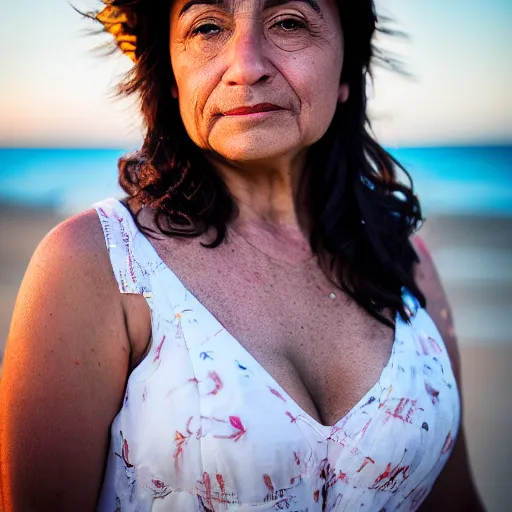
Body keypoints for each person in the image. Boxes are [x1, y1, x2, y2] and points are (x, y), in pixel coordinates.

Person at [0, 0, 486, 510]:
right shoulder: (97, 265)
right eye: (208, 27)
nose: (247, 66)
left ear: (348, 68)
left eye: (290, 22)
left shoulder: (405, 265)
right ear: (170, 75)